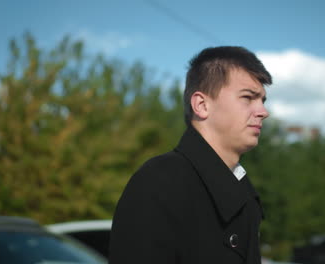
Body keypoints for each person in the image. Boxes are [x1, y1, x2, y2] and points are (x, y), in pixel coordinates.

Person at [109, 46, 272, 264]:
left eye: (262, 100)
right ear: (202, 105)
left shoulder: (243, 192)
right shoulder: (159, 182)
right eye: (248, 97)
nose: (263, 111)